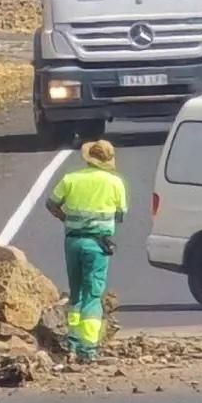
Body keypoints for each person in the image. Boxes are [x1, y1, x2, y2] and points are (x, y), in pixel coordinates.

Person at [45, 140, 128, 362]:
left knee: (76, 292)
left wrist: (67, 218)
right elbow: (121, 214)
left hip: (73, 241)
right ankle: (87, 348)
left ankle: (72, 342)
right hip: (97, 244)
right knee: (93, 294)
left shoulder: (71, 179)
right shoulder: (114, 183)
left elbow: (51, 204)